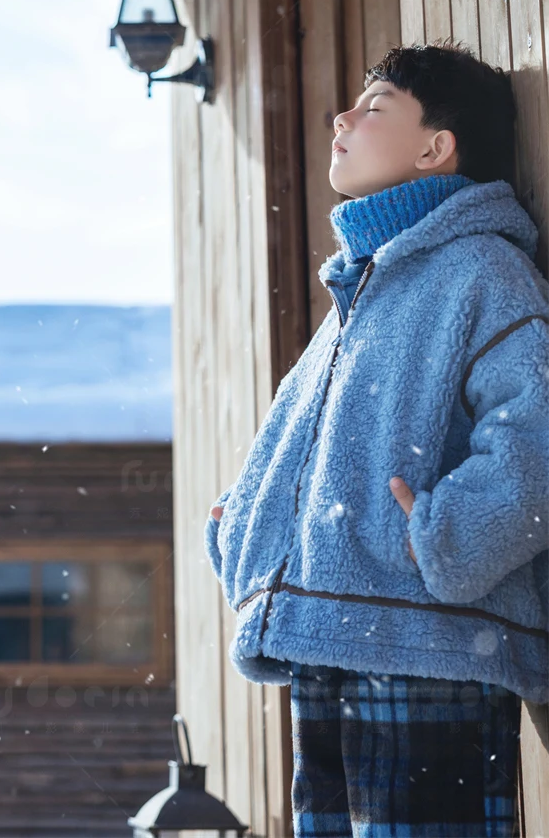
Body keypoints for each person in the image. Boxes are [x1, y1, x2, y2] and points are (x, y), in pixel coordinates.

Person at [204, 43, 548, 837]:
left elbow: (535, 445)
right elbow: (301, 445)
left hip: (429, 643)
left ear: (436, 148)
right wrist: (247, 526)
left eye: (375, 107)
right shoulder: (364, 289)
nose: (342, 118)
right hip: (334, 637)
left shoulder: (482, 273)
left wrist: (442, 535)